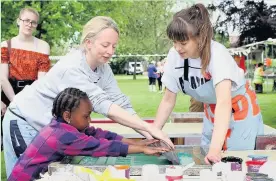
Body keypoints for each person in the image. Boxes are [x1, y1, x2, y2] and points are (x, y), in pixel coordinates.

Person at [3, 16, 173, 176]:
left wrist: (151, 136)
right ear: (88, 43)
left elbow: (121, 103)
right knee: (27, 175)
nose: (110, 51)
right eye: (105, 45)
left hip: (53, 129)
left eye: (114, 46)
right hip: (24, 119)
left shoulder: (104, 68)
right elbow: (103, 104)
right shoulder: (72, 67)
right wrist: (150, 127)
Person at [153, 4, 264, 165]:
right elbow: (168, 100)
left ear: (200, 37)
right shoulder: (174, 55)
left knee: (235, 162)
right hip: (213, 110)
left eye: (183, 43)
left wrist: (215, 149)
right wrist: (155, 133)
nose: (177, 48)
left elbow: (224, 102)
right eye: (174, 42)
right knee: (206, 160)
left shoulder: (218, 55)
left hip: (240, 109)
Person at [8, 88, 168, 181]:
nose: (90, 120)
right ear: (67, 115)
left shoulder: (63, 125)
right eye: (86, 116)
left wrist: (137, 143)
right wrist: (140, 149)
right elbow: (100, 147)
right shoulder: (63, 136)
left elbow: (100, 134)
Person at [1, 7, 50, 150]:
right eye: (26, 20)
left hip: (32, 94)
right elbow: (2, 79)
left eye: (33, 22)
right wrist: (15, 103)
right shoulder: (5, 45)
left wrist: (29, 104)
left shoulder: (42, 46)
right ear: (19, 21)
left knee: (33, 138)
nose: (29, 24)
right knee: (6, 138)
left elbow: (41, 81)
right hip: (9, 92)